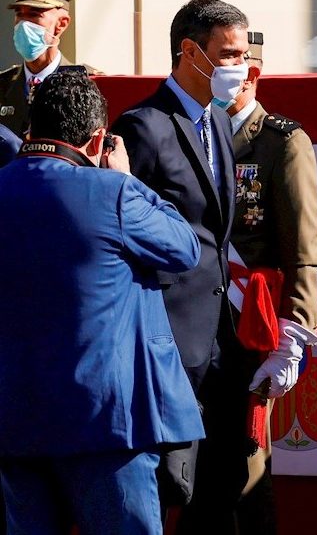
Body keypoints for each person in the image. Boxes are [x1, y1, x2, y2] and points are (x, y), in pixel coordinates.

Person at [0, 70, 203, 535]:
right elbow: (184, 247)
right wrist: (129, 178)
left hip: (14, 421)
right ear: (97, 140)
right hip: (106, 426)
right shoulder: (114, 192)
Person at [110, 0, 252, 532]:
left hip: (220, 341)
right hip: (166, 347)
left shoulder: (215, 121)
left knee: (220, 491)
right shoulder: (144, 126)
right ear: (190, 53)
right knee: (168, 489)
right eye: (228, 54)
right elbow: (127, 238)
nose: (239, 66)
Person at [225, 31, 317, 534]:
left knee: (248, 463)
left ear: (253, 74)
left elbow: (305, 250)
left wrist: (293, 332)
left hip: (254, 323)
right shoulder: (192, 133)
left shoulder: (282, 141)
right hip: (199, 322)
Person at [0, 0, 99, 136]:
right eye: (19, 14)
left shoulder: (86, 84)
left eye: (34, 14)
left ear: (61, 24)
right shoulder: (4, 85)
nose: (23, 24)